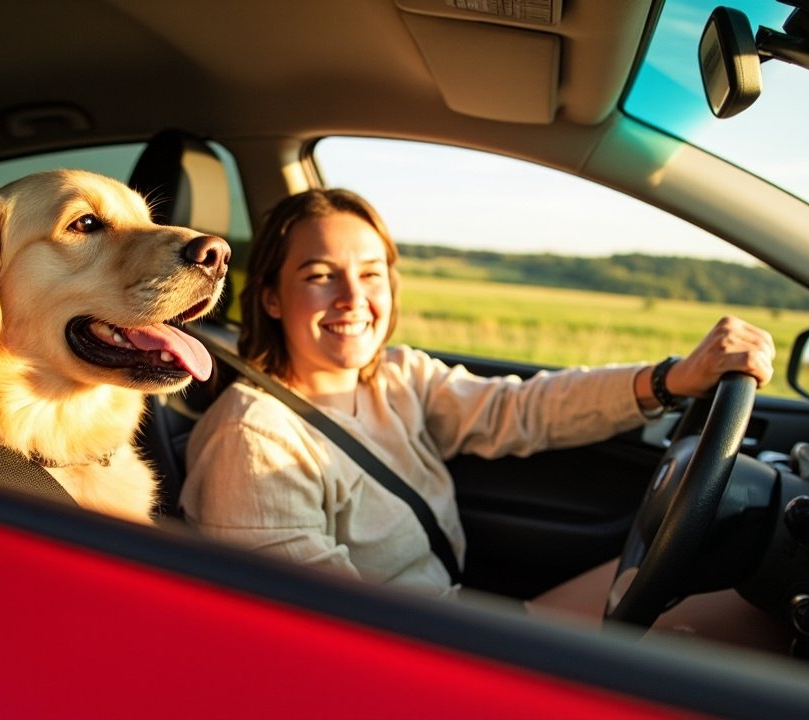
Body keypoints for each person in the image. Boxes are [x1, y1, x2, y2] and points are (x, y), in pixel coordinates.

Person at [180, 188, 778, 636]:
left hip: (456, 616)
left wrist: (670, 380)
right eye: (319, 276)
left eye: (371, 274)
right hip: (431, 653)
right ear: (271, 298)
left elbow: (521, 408)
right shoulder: (254, 441)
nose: (353, 298)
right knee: (742, 617)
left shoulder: (396, 377)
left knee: (737, 587)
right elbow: (328, 633)